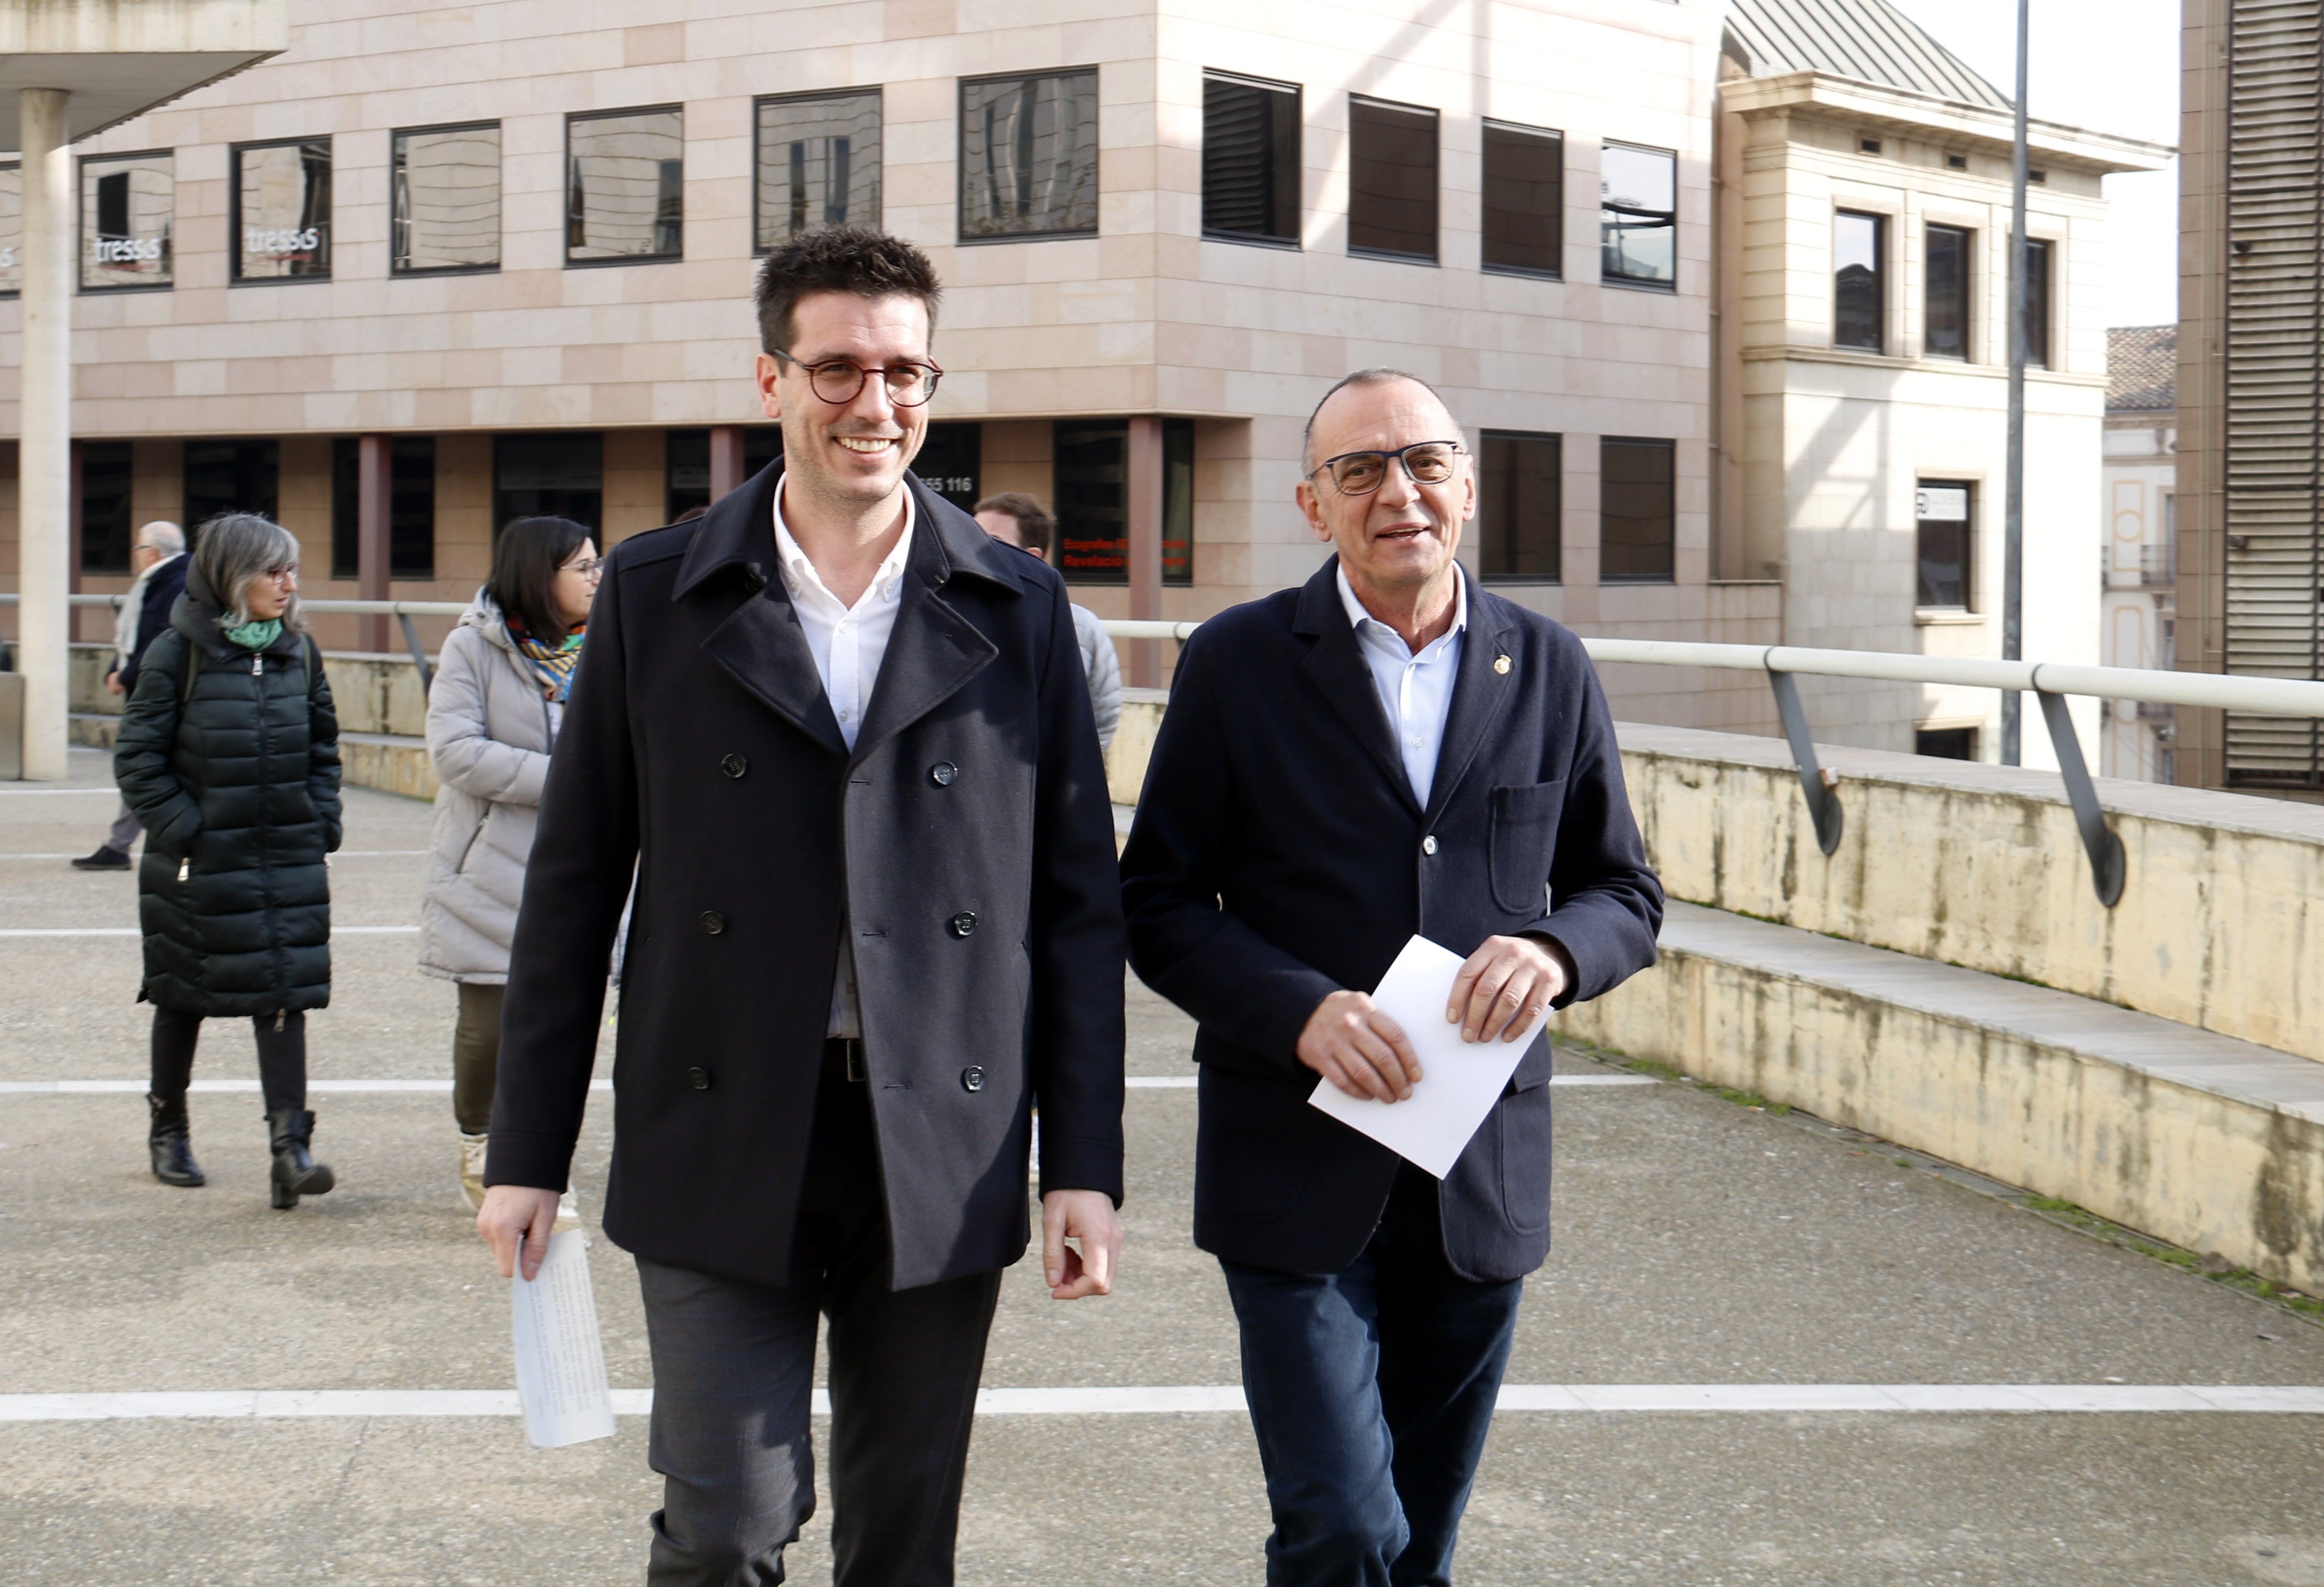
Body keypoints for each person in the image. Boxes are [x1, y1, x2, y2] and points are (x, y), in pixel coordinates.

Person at [476, 224, 1127, 1586]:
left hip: (936, 1130)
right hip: (716, 1112)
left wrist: (1083, 1164)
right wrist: (526, 1148)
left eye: (903, 371)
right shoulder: (658, 591)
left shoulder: (1019, 607)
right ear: (767, 378)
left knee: (902, 1534)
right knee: (722, 1522)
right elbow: (577, 882)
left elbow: (1073, 908)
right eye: (836, 368)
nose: (873, 403)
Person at [1120, 369, 1664, 1587]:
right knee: (1344, 1525)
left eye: (1422, 461)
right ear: (1314, 506)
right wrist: (1297, 1010)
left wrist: (1557, 951)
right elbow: (1154, 901)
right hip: (1294, 1162)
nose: (1396, 491)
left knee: (1420, 1544)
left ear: (1465, 483)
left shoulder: (1552, 665)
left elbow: (1625, 893)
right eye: (1358, 469)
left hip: (1480, 1175)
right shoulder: (1236, 662)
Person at [114, 512, 344, 1207]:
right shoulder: (174, 652)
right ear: (231, 576)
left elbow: (323, 747)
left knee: (283, 995)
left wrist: (322, 819)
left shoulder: (297, 652)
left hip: (284, 858)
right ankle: (169, 1126)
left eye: (291, 570)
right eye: (273, 571)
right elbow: (139, 758)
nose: (288, 583)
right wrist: (187, 829)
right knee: (182, 993)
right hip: (200, 862)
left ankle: (289, 1145)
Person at [418, 517, 599, 1210]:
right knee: (491, 1020)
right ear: (540, 573)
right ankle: (481, 1138)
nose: (596, 578)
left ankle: (541, 1156)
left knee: (576, 1018)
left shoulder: (607, 645)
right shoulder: (475, 645)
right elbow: (455, 751)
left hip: (586, 861)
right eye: (583, 567)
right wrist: (572, 777)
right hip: (492, 861)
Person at [73, 521, 189, 871]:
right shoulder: (155, 582)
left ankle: (122, 846)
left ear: (153, 553)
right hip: (150, 691)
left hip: (163, 695)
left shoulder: (177, 584)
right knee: (148, 767)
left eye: (138, 549)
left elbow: (162, 640)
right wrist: (118, 668)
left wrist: (124, 675)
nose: (136, 556)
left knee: (144, 767)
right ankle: (120, 846)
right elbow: (134, 634)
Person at [973, 491, 1122, 749]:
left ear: (1032, 557)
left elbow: (1101, 720)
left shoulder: (1080, 627)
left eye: (992, 542)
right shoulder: (944, 617)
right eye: (968, 537)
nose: (971, 550)